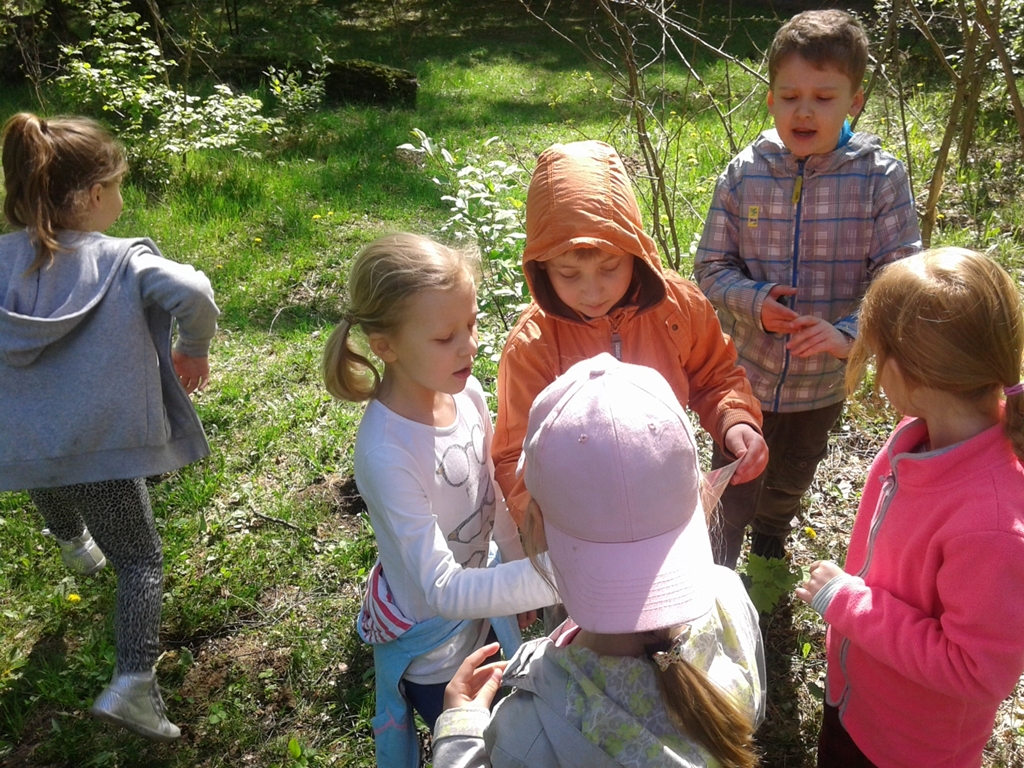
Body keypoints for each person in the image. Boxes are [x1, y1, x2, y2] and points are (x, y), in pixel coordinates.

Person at [432, 354, 765, 767]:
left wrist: (459, 735)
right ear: (700, 496)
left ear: (534, 525)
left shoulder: (530, 727)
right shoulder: (729, 599)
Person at [0, 113, 219, 741]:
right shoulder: (124, 261)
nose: (121, 200)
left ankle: (71, 543)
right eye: (118, 186)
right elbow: (193, 290)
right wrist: (193, 347)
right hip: (103, 446)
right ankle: (133, 685)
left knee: (51, 470)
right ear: (93, 196)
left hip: (23, 446)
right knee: (140, 561)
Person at [693, 9, 921, 568]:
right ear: (770, 100)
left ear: (855, 101)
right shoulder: (745, 172)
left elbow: (899, 281)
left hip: (823, 381)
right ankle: (720, 552)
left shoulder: (879, 178)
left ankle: (773, 529)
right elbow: (711, 267)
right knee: (737, 469)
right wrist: (754, 301)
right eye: (790, 95)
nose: (804, 110)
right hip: (745, 374)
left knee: (795, 467)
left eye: (824, 96)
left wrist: (848, 334)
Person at [321, 232, 559, 768]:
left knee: (514, 732)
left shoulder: (465, 392)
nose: (470, 346)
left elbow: (491, 495)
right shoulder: (386, 452)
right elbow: (443, 588)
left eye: (472, 325)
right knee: (483, 743)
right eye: (446, 336)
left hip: (486, 604)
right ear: (386, 346)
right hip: (435, 649)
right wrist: (551, 575)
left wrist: (518, 573)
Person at [795, 248, 1024, 767]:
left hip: (907, 747)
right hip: (858, 700)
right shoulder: (915, 435)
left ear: (907, 372)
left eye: (876, 356)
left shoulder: (992, 527)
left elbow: (976, 670)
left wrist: (849, 604)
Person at [493, 139, 766, 536]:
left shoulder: (677, 306)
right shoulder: (533, 345)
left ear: (635, 252)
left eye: (610, 267)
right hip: (577, 521)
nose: (593, 291)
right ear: (541, 268)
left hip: (662, 500)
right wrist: (549, 529)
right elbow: (513, 456)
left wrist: (733, 419)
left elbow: (715, 376)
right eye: (569, 275)